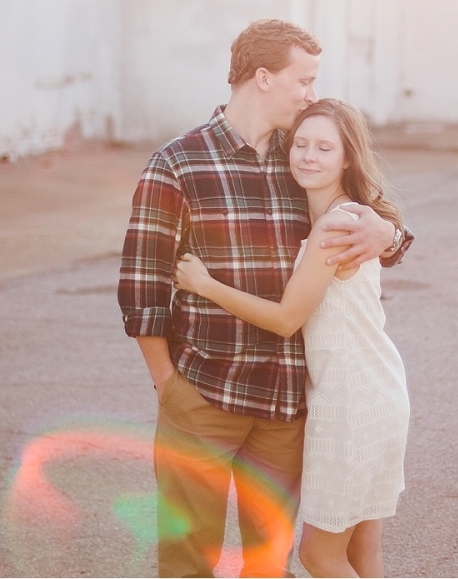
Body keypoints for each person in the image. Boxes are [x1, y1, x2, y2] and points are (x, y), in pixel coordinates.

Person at [119, 20, 413, 578]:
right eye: (303, 80)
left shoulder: (302, 154)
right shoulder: (178, 164)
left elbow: (370, 221)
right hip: (204, 394)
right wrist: (167, 386)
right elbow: (142, 286)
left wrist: (390, 234)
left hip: (286, 405)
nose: (310, 94)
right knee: (188, 557)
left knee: (268, 562)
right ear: (262, 77)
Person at [175, 99, 410, 579]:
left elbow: (286, 319)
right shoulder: (346, 215)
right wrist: (390, 232)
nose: (308, 156)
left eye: (325, 147)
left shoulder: (338, 223)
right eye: (300, 144)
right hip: (378, 390)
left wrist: (205, 285)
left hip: (350, 402)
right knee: (361, 554)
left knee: (319, 556)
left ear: (348, 158)